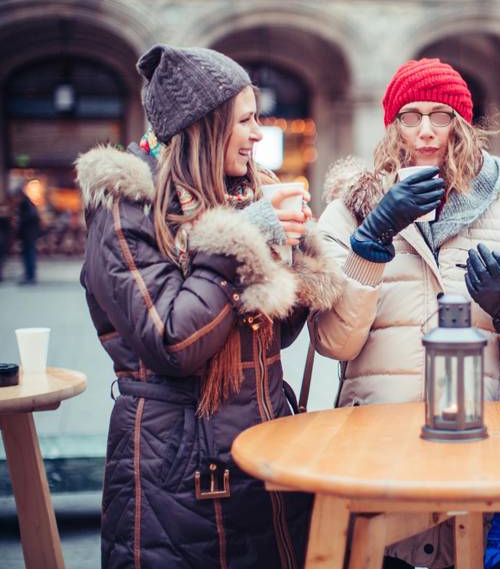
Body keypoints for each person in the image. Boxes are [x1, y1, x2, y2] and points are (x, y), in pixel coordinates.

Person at [76, 45, 344, 569]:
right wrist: (247, 239)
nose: (258, 134)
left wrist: (291, 255)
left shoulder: (242, 197)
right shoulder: (125, 210)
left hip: (261, 449)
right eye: (244, 120)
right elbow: (176, 342)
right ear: (204, 126)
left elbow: (272, 335)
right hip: (173, 470)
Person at [311, 58, 500, 569]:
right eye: (410, 115)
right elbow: (334, 342)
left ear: (460, 125)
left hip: (472, 449)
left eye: (440, 115)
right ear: (392, 125)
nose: (424, 131)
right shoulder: (346, 213)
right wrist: (371, 240)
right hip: (376, 448)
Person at [16, 185, 41, 284]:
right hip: (30, 233)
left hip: (28, 234)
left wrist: (20, 221)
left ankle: (30, 276)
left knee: (29, 254)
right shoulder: (28, 202)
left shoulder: (25, 203)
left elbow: (31, 216)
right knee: (29, 254)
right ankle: (30, 275)